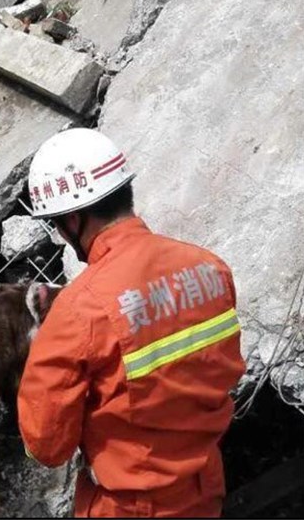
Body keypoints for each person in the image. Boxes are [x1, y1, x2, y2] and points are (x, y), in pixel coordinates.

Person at [17, 128, 245, 517]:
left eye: (57, 224)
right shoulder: (209, 267)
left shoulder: (79, 310)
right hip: (205, 487)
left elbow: (46, 445)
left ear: (73, 219)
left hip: (130, 506)